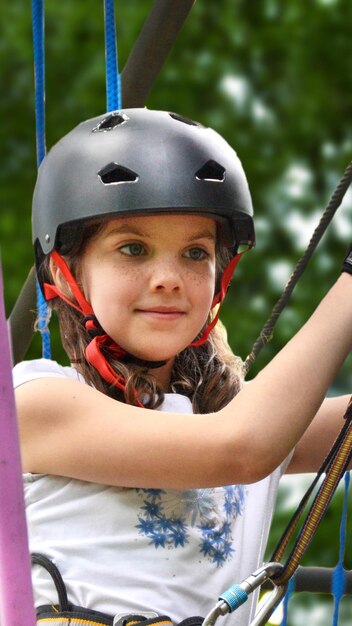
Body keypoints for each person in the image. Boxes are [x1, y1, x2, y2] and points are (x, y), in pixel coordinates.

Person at [13, 108, 352, 626]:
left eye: (195, 254)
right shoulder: (33, 403)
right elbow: (241, 447)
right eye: (133, 248)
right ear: (65, 272)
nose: (169, 277)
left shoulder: (249, 418)